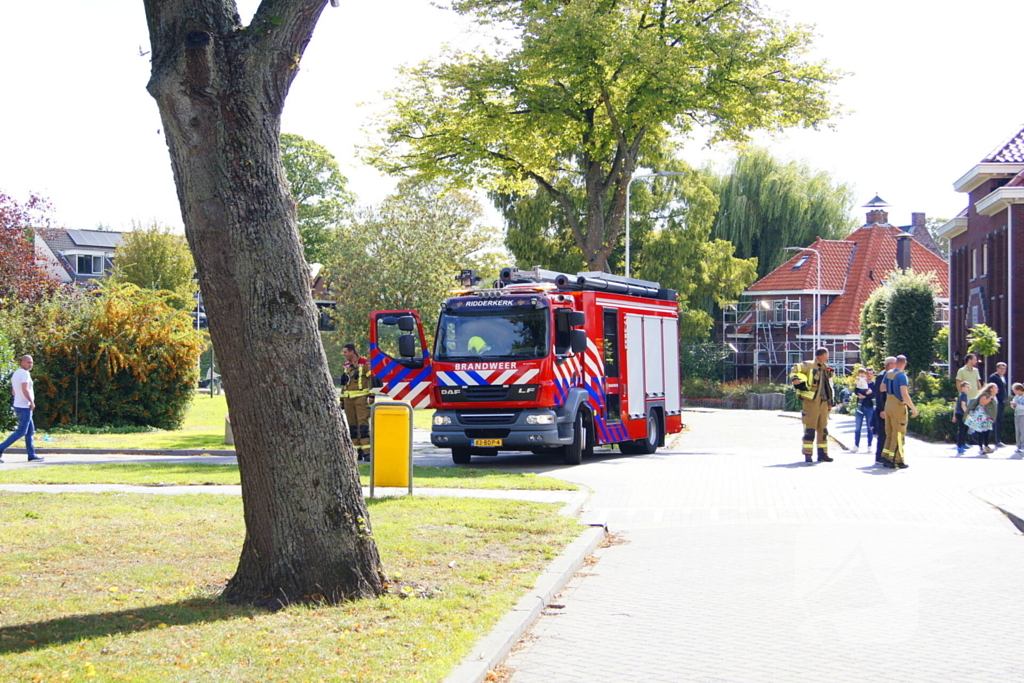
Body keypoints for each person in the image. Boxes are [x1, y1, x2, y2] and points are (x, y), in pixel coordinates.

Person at [790, 347, 836, 464]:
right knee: (810, 430)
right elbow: (795, 368)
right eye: (827, 355)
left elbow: (827, 387)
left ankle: (823, 454)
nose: (828, 357)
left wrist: (829, 403)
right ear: (822, 355)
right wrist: (795, 379)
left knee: (823, 430)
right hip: (811, 403)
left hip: (823, 403)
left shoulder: (825, 368)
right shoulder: (809, 365)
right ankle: (808, 454)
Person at [0, 355, 44, 463]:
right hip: (24, 406)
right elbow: (25, 389)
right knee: (21, 432)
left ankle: (31, 455)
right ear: (22, 362)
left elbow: (14, 391)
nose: (30, 365)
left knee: (30, 432)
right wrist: (31, 401)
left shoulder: (16, 373)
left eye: (31, 362)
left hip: (19, 404)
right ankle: (1, 448)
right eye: (28, 362)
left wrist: (19, 397)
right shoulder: (24, 374)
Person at [880, 355, 918, 469]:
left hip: (888, 404)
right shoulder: (902, 376)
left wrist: (892, 388)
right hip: (898, 406)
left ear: (896, 363)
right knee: (898, 433)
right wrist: (913, 409)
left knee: (890, 432)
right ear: (904, 364)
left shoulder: (888, 373)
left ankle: (886, 456)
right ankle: (896, 460)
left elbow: (882, 388)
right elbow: (904, 394)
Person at [340, 343, 373, 461]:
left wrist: (372, 395)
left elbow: (371, 379)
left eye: (345, 352)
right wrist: (342, 400)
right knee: (352, 426)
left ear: (352, 352)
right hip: (348, 399)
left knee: (363, 425)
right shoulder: (346, 365)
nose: (344, 354)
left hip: (361, 399)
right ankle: (356, 451)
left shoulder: (364, 363)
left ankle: (367, 452)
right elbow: (344, 384)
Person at [873, 357, 896, 464]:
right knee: (883, 433)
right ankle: (879, 456)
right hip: (883, 409)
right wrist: (882, 409)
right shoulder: (881, 376)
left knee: (889, 433)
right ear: (890, 364)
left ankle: (886, 455)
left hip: (891, 408)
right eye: (895, 363)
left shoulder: (892, 375)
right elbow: (878, 395)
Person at [966, 383, 999, 455]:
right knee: (980, 431)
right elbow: (982, 403)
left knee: (987, 431)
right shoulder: (986, 395)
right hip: (982, 416)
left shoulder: (994, 396)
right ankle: (981, 448)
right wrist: (990, 398)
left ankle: (986, 447)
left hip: (988, 417)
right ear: (991, 389)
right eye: (995, 388)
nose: (997, 389)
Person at [853, 368, 875, 453]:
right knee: (858, 427)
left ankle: (869, 445)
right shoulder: (861, 382)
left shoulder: (874, 384)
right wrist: (866, 393)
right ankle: (856, 445)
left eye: (871, 373)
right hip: (860, 407)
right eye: (867, 373)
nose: (869, 375)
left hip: (870, 407)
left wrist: (865, 396)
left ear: (873, 375)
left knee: (870, 427)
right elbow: (857, 391)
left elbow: (874, 394)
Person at [987, 362, 1008, 447]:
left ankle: (998, 439)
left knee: (998, 420)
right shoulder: (994, 377)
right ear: (997, 369)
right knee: (995, 420)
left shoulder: (1003, 377)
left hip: (1001, 401)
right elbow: (990, 389)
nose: (1003, 370)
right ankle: (997, 440)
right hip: (996, 401)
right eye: (1001, 368)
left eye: (1004, 368)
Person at [952, 380, 970, 456]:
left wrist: (954, 415)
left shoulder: (961, 395)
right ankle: (959, 446)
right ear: (962, 387)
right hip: (961, 414)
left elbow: (956, 405)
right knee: (962, 430)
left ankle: (962, 443)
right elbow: (963, 405)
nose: (969, 389)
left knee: (965, 429)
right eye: (967, 387)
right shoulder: (963, 395)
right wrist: (967, 414)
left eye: (969, 387)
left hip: (959, 413)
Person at [1011, 383, 1024, 456]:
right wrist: (1013, 405)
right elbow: (1013, 405)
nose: (1014, 392)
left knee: (1022, 431)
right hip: (1017, 415)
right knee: (1017, 431)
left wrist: (1017, 405)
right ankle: (1018, 446)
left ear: (1019, 390)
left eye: (1014, 390)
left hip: (1023, 415)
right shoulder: (1016, 397)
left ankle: (1023, 446)